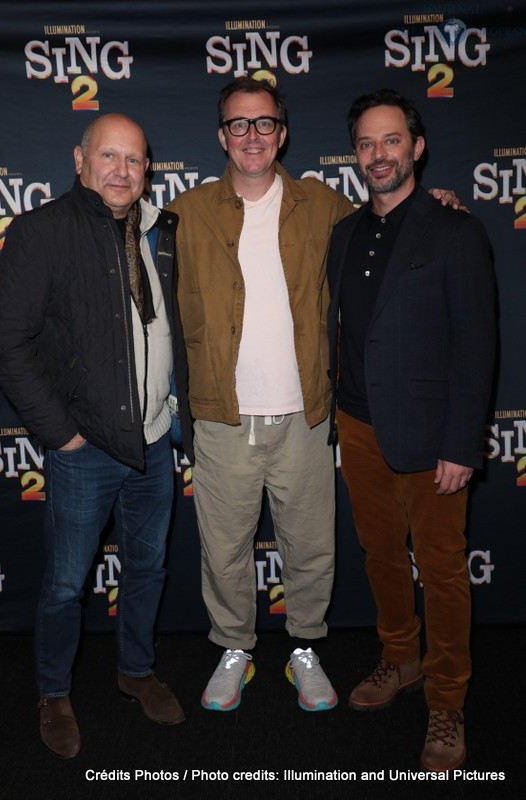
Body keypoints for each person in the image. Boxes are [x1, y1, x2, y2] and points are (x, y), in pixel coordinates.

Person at [167, 76, 460, 714]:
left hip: (306, 415)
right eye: (239, 124)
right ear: (222, 136)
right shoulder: (182, 214)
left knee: (311, 546)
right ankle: (234, 651)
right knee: (223, 550)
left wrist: (438, 204)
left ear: (283, 133)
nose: (252, 135)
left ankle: (304, 647)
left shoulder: (324, 207)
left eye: (264, 123)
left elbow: (396, 223)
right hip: (221, 418)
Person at [0, 113, 193, 758]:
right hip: (86, 450)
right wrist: (63, 436)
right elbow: (9, 344)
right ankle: (52, 690)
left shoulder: (162, 229)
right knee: (63, 585)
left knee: (147, 567)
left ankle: (135, 670)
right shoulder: (40, 232)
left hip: (155, 443)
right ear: (80, 162)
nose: (122, 171)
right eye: (109, 157)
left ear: (147, 169)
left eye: (134, 160)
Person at [327, 89, 495, 771]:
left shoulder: (455, 229)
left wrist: (461, 444)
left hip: (432, 440)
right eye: (366, 143)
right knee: (381, 558)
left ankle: (448, 699)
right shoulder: (343, 233)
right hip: (359, 428)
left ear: (416, 147)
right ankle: (400, 659)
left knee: (445, 572)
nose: (379, 154)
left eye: (391, 140)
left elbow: (476, 345)